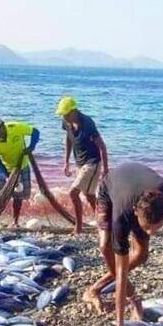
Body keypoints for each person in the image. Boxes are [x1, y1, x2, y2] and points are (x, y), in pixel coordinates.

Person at [82, 163, 163, 326]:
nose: (150, 233)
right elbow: (121, 270)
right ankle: (131, 298)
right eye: (144, 228)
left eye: (155, 228)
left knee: (141, 254)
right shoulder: (123, 216)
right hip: (110, 188)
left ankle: (96, 288)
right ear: (136, 214)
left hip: (139, 188)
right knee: (105, 247)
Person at [55, 96, 109, 234]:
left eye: (66, 114)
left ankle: (78, 228)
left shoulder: (88, 123)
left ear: (74, 111)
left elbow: (102, 146)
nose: (65, 117)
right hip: (80, 163)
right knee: (90, 196)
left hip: (92, 162)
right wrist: (66, 161)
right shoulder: (66, 122)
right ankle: (104, 223)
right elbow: (68, 139)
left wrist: (105, 169)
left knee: (73, 193)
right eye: (63, 114)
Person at [0, 117, 40, 227]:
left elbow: (35, 132)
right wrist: (7, 177)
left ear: (2, 127)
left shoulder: (16, 128)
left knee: (18, 195)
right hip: (4, 168)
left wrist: (31, 147)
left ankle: (15, 222)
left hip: (22, 166)